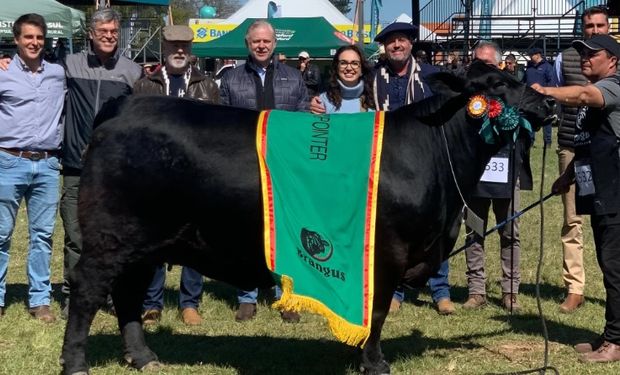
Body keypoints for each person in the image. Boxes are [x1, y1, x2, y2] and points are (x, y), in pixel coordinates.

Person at [312, 22, 455, 315]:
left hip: (428, 163)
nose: (397, 46)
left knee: (434, 227)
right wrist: (317, 104)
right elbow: (348, 97)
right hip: (389, 165)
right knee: (393, 230)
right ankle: (396, 290)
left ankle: (441, 291)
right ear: (385, 48)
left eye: (402, 40)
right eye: (391, 42)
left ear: (411, 44)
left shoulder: (430, 77)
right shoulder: (375, 77)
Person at [535, 34, 620, 363]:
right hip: (600, 193)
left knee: (614, 268)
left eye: (592, 54)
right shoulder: (597, 91)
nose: (584, 58)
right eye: (581, 53)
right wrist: (566, 177)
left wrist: (545, 91)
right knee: (608, 265)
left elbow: (583, 93)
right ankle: (611, 334)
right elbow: (586, 145)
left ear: (612, 60)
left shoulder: (612, 86)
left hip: (615, 194)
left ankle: (615, 344)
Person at [219, 19, 308, 322]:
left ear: (274, 44)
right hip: (245, 166)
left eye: (266, 41)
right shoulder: (230, 80)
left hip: (284, 167)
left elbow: (304, 121)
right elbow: (224, 126)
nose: (261, 46)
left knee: (286, 231)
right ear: (247, 44)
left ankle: (287, 296)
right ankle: (247, 294)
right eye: (256, 41)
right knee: (247, 231)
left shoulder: (295, 79)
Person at [133, 25, 220, 326]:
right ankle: (152, 302)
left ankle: (190, 304)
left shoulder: (208, 87)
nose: (179, 51)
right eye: (173, 46)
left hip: (194, 175)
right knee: (155, 239)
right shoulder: (144, 86)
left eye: (184, 46)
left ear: (191, 49)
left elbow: (214, 134)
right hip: (155, 175)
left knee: (193, 239)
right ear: (164, 49)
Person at [59, 8, 142, 319]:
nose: (109, 35)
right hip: (75, 167)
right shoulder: (68, 65)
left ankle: (106, 293)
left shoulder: (132, 72)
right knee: (76, 235)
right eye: (103, 30)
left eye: (113, 31)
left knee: (110, 236)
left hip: (113, 172)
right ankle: (73, 294)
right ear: (91, 34)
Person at [0, 13, 65, 323]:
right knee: (1, 234)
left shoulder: (57, 73)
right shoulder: (3, 72)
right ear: (16, 40)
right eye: (28, 37)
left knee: (42, 236)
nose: (34, 42)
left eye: (39, 37)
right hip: (9, 160)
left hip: (49, 164)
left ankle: (40, 300)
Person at [462, 41, 533, 313]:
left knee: (510, 232)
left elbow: (529, 125)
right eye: (478, 64)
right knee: (474, 230)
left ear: (500, 66)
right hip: (474, 171)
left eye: (488, 66)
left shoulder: (516, 90)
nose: (483, 71)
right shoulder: (466, 93)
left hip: (507, 167)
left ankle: (510, 291)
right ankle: (476, 291)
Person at [552, 5, 610, 314]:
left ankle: (612, 284)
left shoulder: (616, 57)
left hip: (612, 149)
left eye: (600, 25)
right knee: (572, 220)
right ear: (582, 27)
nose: (595, 30)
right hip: (574, 145)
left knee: (612, 220)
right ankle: (575, 287)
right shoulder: (566, 57)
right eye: (589, 25)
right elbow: (565, 98)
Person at [317, 45, 374, 114]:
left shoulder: (374, 99)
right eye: (343, 63)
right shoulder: (323, 100)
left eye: (355, 63)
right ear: (336, 68)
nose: (349, 68)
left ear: (362, 69)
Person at [524, 47, 558, 146]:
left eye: (531, 55)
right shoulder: (529, 67)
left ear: (538, 55)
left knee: (546, 120)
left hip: (543, 98)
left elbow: (551, 81)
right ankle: (530, 140)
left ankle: (547, 142)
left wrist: (546, 93)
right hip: (530, 98)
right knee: (530, 119)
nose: (530, 57)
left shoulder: (547, 67)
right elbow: (525, 80)